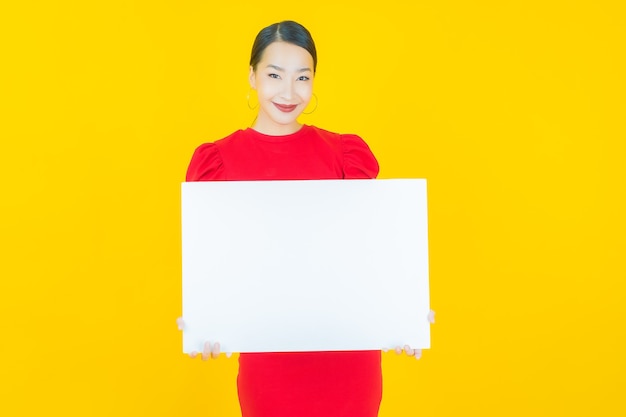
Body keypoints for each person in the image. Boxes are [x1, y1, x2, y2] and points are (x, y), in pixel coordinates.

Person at [179, 20, 434, 417]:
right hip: (270, 364)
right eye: (274, 75)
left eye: (303, 77)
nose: (288, 91)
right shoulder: (218, 162)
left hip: (348, 361)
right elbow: (214, 262)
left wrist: (404, 310)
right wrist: (204, 318)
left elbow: (369, 250)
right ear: (252, 76)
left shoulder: (344, 154)